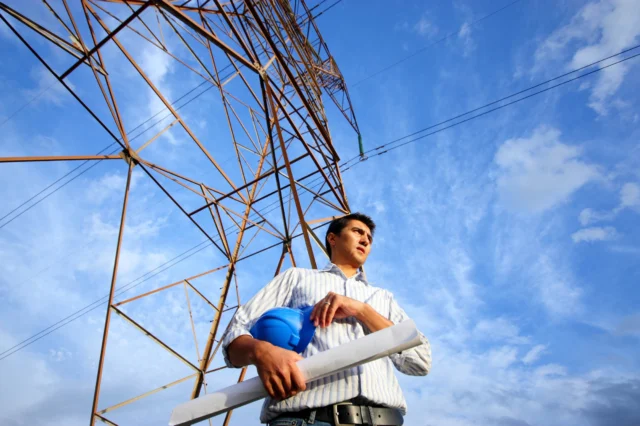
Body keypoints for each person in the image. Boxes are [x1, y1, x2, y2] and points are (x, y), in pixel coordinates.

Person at [221, 212, 431, 425]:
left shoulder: (383, 298)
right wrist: (260, 351)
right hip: (305, 419)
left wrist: (361, 310)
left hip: (383, 419)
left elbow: (420, 361)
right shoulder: (297, 278)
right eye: (357, 231)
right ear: (333, 238)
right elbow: (235, 332)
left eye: (369, 237)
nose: (366, 239)